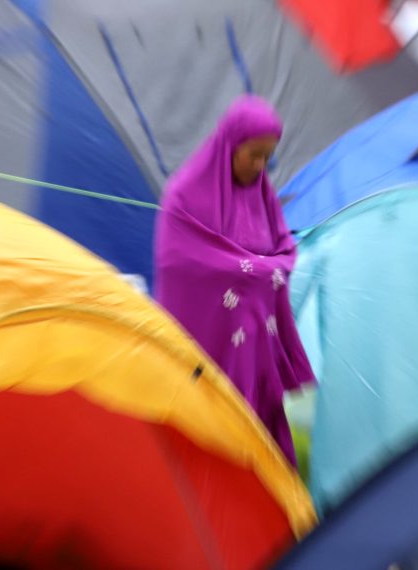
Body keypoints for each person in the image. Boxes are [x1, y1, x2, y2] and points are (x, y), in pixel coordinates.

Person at [154, 95, 314, 465]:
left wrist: (264, 267)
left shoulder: (263, 195)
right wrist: (253, 268)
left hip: (257, 345)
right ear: (230, 145)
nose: (259, 166)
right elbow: (179, 263)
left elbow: (284, 250)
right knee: (212, 450)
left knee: (263, 447)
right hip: (211, 347)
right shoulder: (184, 196)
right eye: (253, 155)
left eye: (267, 158)